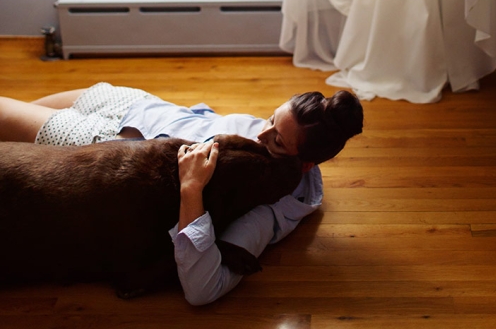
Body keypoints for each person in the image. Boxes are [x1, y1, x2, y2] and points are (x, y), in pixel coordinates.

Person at [0, 83, 363, 304]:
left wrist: (191, 189)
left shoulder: (266, 207)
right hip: (136, 105)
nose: (259, 134)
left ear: (304, 164)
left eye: (277, 141)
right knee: (22, 106)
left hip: (98, 148)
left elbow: (203, 289)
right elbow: (209, 118)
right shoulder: (277, 150)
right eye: (269, 119)